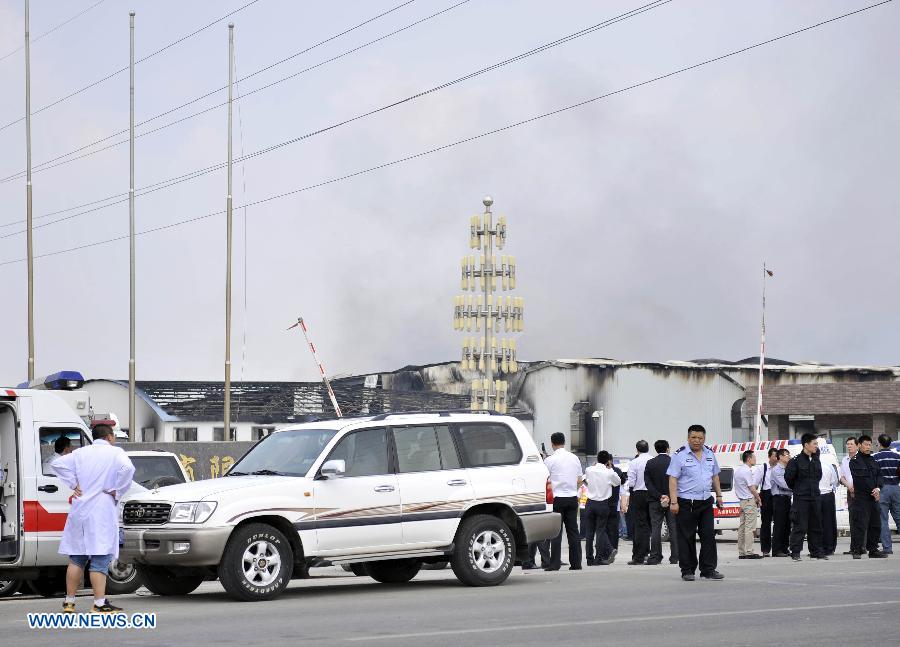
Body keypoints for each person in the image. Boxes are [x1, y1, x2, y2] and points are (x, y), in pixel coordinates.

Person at [53, 424, 135, 613]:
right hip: (101, 511)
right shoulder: (115, 453)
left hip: (80, 510)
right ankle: (99, 603)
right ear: (110, 437)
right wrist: (118, 489)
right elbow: (128, 468)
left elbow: (57, 464)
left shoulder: (81, 453)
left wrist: (73, 483)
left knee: (76, 558)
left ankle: (69, 602)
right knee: (100, 558)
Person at [667, 424, 725, 581]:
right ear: (688, 438)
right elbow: (673, 479)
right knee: (687, 537)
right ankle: (687, 569)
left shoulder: (710, 454)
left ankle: (708, 569)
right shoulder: (679, 455)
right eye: (693, 437)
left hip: (706, 501)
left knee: (708, 536)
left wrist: (719, 496)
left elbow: (715, 476)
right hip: (686, 502)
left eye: (700, 438)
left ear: (704, 438)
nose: (697, 441)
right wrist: (674, 502)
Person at [544, 432, 583, 571]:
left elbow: (545, 478)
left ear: (552, 443)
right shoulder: (574, 458)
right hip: (572, 498)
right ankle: (576, 563)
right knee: (573, 531)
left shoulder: (549, 460)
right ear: (564, 442)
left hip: (557, 499)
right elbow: (579, 479)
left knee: (556, 533)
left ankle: (554, 564)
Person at [784, 433, 825, 561]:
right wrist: (799, 489)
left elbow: (819, 476)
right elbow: (789, 479)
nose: (816, 446)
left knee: (816, 525)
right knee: (800, 526)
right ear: (806, 445)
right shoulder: (795, 461)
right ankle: (795, 552)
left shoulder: (816, 459)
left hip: (815, 497)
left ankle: (816, 551)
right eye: (814, 444)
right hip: (801, 498)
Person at [848, 435, 887, 559]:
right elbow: (860, 480)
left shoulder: (873, 460)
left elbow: (880, 476)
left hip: (873, 498)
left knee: (875, 524)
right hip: (861, 498)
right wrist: (873, 490)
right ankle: (857, 550)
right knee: (860, 524)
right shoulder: (854, 461)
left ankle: (873, 549)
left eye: (870, 445)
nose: (868, 447)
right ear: (859, 445)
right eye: (866, 444)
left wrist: (878, 488)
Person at [582, 450, 621, 565]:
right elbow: (618, 482)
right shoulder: (609, 472)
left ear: (597, 459)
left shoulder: (589, 469)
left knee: (589, 532)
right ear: (608, 461)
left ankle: (589, 559)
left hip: (590, 503)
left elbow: (584, 479)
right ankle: (598, 558)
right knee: (600, 531)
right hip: (603, 504)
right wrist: (611, 469)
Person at [644, 439, 678, 565]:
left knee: (656, 529)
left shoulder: (650, 463)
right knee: (673, 528)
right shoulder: (673, 462)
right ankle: (675, 557)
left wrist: (660, 496)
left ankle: (655, 557)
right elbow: (677, 481)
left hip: (654, 501)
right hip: (672, 500)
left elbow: (648, 483)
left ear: (656, 449)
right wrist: (669, 496)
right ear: (668, 449)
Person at [622, 440, 652, 565]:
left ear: (637, 450)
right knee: (650, 525)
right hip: (652, 494)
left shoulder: (634, 462)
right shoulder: (653, 460)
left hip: (638, 494)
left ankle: (638, 556)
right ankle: (648, 552)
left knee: (639, 525)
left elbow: (632, 482)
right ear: (648, 448)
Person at [873, 434, 900, 555]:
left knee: (883, 519)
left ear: (879, 443)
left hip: (882, 489)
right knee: (899, 517)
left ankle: (887, 548)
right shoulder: (897, 457)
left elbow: (874, 475)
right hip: (896, 488)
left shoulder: (875, 457)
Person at [735, 449, 763, 559]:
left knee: (742, 527)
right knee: (750, 527)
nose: (755, 459)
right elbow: (752, 488)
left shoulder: (738, 471)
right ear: (748, 459)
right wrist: (758, 498)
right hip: (748, 501)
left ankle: (742, 552)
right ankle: (749, 551)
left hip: (742, 501)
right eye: (754, 457)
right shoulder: (747, 471)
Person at [770, 449, 793, 557]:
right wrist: (796, 487)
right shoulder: (776, 470)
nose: (789, 457)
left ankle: (784, 548)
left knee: (787, 525)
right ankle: (776, 550)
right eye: (787, 455)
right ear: (780, 457)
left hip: (787, 498)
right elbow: (784, 484)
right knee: (779, 524)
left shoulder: (787, 468)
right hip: (779, 499)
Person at [839, 437, 858, 555]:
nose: (849, 446)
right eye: (847, 444)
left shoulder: (860, 458)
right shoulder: (845, 460)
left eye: (851, 444)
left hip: (860, 492)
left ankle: (861, 546)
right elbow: (841, 476)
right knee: (852, 519)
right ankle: (853, 547)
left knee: (861, 519)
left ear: (857, 446)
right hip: (849, 491)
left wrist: (855, 487)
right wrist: (849, 487)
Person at [758, 448, 778, 556]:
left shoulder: (780, 468)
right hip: (766, 495)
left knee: (779, 523)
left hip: (778, 495)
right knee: (766, 523)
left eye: (777, 456)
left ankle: (778, 548)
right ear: (769, 457)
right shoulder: (763, 468)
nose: (776, 458)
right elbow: (755, 483)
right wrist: (757, 498)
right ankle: (765, 549)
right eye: (774, 456)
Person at [818, 458, 839, 557]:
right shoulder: (828, 465)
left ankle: (819, 548)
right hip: (828, 495)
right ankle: (830, 548)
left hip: (816, 496)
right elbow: (834, 481)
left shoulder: (809, 465)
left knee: (817, 523)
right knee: (829, 523)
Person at [609, 462, 626, 556]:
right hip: (616, 505)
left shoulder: (603, 472)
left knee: (605, 528)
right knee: (615, 528)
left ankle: (608, 548)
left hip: (605, 504)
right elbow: (623, 485)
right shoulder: (618, 472)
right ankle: (614, 547)